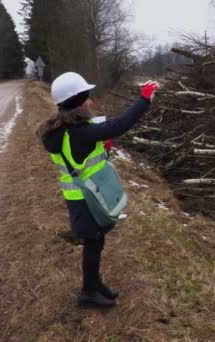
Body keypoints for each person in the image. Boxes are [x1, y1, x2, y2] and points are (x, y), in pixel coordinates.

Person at [37, 72, 159, 308]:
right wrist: (144, 100)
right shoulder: (79, 132)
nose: (90, 102)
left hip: (82, 194)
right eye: (86, 99)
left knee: (97, 241)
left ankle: (94, 284)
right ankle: (88, 293)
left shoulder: (62, 128)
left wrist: (102, 148)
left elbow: (81, 155)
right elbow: (119, 124)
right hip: (86, 197)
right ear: (77, 103)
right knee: (93, 244)